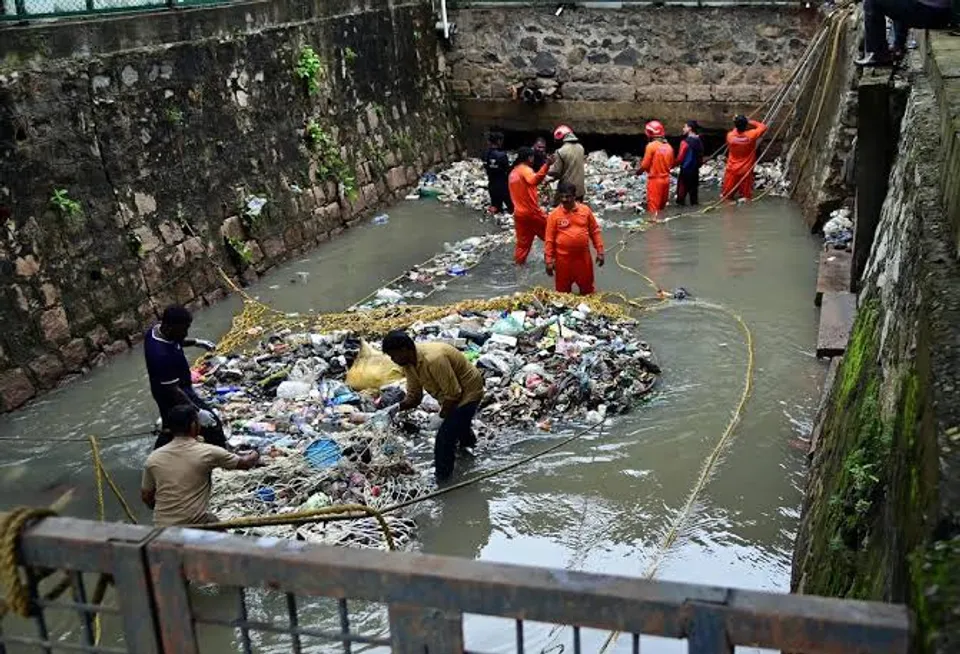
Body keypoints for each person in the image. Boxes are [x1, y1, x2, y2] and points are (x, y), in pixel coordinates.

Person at [381, 332, 485, 483]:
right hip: (450, 396)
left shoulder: (434, 359)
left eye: (393, 355)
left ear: (404, 350)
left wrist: (441, 416)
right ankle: (470, 448)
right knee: (458, 425)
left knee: (444, 439)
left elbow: (454, 393)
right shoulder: (409, 365)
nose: (393, 360)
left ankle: (442, 481)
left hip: (469, 392)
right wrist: (395, 408)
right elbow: (414, 397)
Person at [140, 404, 259, 527]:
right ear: (194, 425)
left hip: (161, 525)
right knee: (217, 527)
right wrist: (256, 452)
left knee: (212, 520)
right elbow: (246, 463)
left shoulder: (153, 457)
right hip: (194, 523)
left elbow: (146, 497)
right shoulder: (209, 452)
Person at [144, 305, 226, 450]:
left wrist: (196, 342)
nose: (186, 332)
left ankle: (159, 455)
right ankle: (223, 458)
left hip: (174, 387)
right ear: (169, 326)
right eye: (184, 329)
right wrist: (197, 412)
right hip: (173, 393)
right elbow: (173, 390)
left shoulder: (157, 330)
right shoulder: (160, 355)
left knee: (172, 428)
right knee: (212, 425)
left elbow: (176, 340)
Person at [545, 182, 605, 295]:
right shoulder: (554, 215)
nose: (564, 199)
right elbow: (549, 239)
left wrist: (600, 251)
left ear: (574, 196)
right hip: (562, 261)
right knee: (562, 295)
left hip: (583, 259)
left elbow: (595, 231)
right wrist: (548, 260)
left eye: (567, 196)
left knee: (588, 293)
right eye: (561, 196)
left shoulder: (585, 211)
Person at [856, 0, 950, 66]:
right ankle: (897, 47)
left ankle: (879, 54)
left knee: (872, 1)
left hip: (933, 12)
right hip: (939, 12)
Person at [508, 146, 554, 265]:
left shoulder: (513, 172)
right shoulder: (525, 169)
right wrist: (547, 165)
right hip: (532, 213)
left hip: (519, 214)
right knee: (552, 234)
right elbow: (534, 180)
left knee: (522, 245)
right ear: (529, 158)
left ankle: (519, 267)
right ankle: (554, 260)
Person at [722, 115, 768, 201]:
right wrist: (750, 121)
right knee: (746, 197)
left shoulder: (730, 136)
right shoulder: (751, 135)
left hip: (732, 169)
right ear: (745, 125)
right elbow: (763, 127)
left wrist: (738, 121)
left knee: (726, 196)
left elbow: (735, 130)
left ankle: (728, 212)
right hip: (745, 170)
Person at [638, 120, 675, 220]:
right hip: (666, 181)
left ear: (651, 133)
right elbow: (671, 164)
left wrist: (639, 171)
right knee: (662, 208)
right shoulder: (669, 147)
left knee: (653, 209)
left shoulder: (651, 146)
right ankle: (662, 231)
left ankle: (654, 232)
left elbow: (645, 165)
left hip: (655, 181)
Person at [549, 125, 586, 202]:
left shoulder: (560, 151)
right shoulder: (580, 147)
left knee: (559, 209)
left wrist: (547, 170)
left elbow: (556, 172)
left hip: (567, 190)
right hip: (580, 190)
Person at [675, 120, 704, 206]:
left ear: (690, 128)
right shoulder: (699, 140)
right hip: (695, 171)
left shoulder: (684, 142)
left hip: (685, 171)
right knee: (694, 197)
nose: (683, 129)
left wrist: (671, 165)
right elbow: (700, 156)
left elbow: (680, 158)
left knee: (681, 196)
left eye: (685, 127)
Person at [483, 132, 512, 214]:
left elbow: (486, 167)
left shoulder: (485, 154)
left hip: (491, 185)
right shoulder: (502, 155)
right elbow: (507, 170)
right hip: (503, 186)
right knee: (512, 208)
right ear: (499, 141)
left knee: (496, 208)